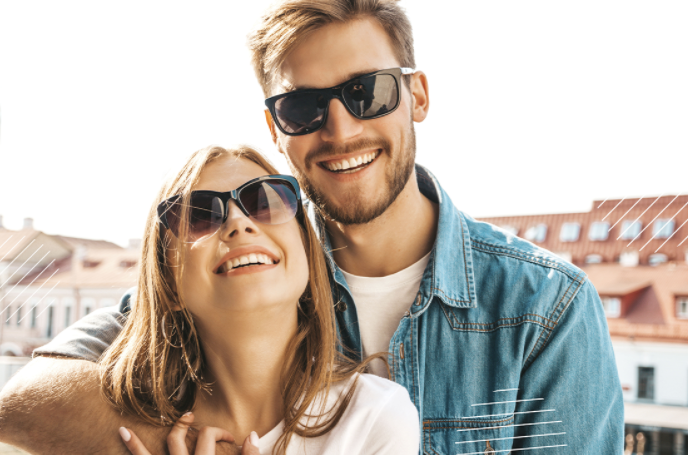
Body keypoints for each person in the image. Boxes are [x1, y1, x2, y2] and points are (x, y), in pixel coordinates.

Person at [0, 0, 624, 453]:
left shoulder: (547, 307)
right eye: (302, 106)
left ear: (419, 97)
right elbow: (29, 402)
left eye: (368, 92)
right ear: (276, 129)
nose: (341, 130)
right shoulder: (249, 274)